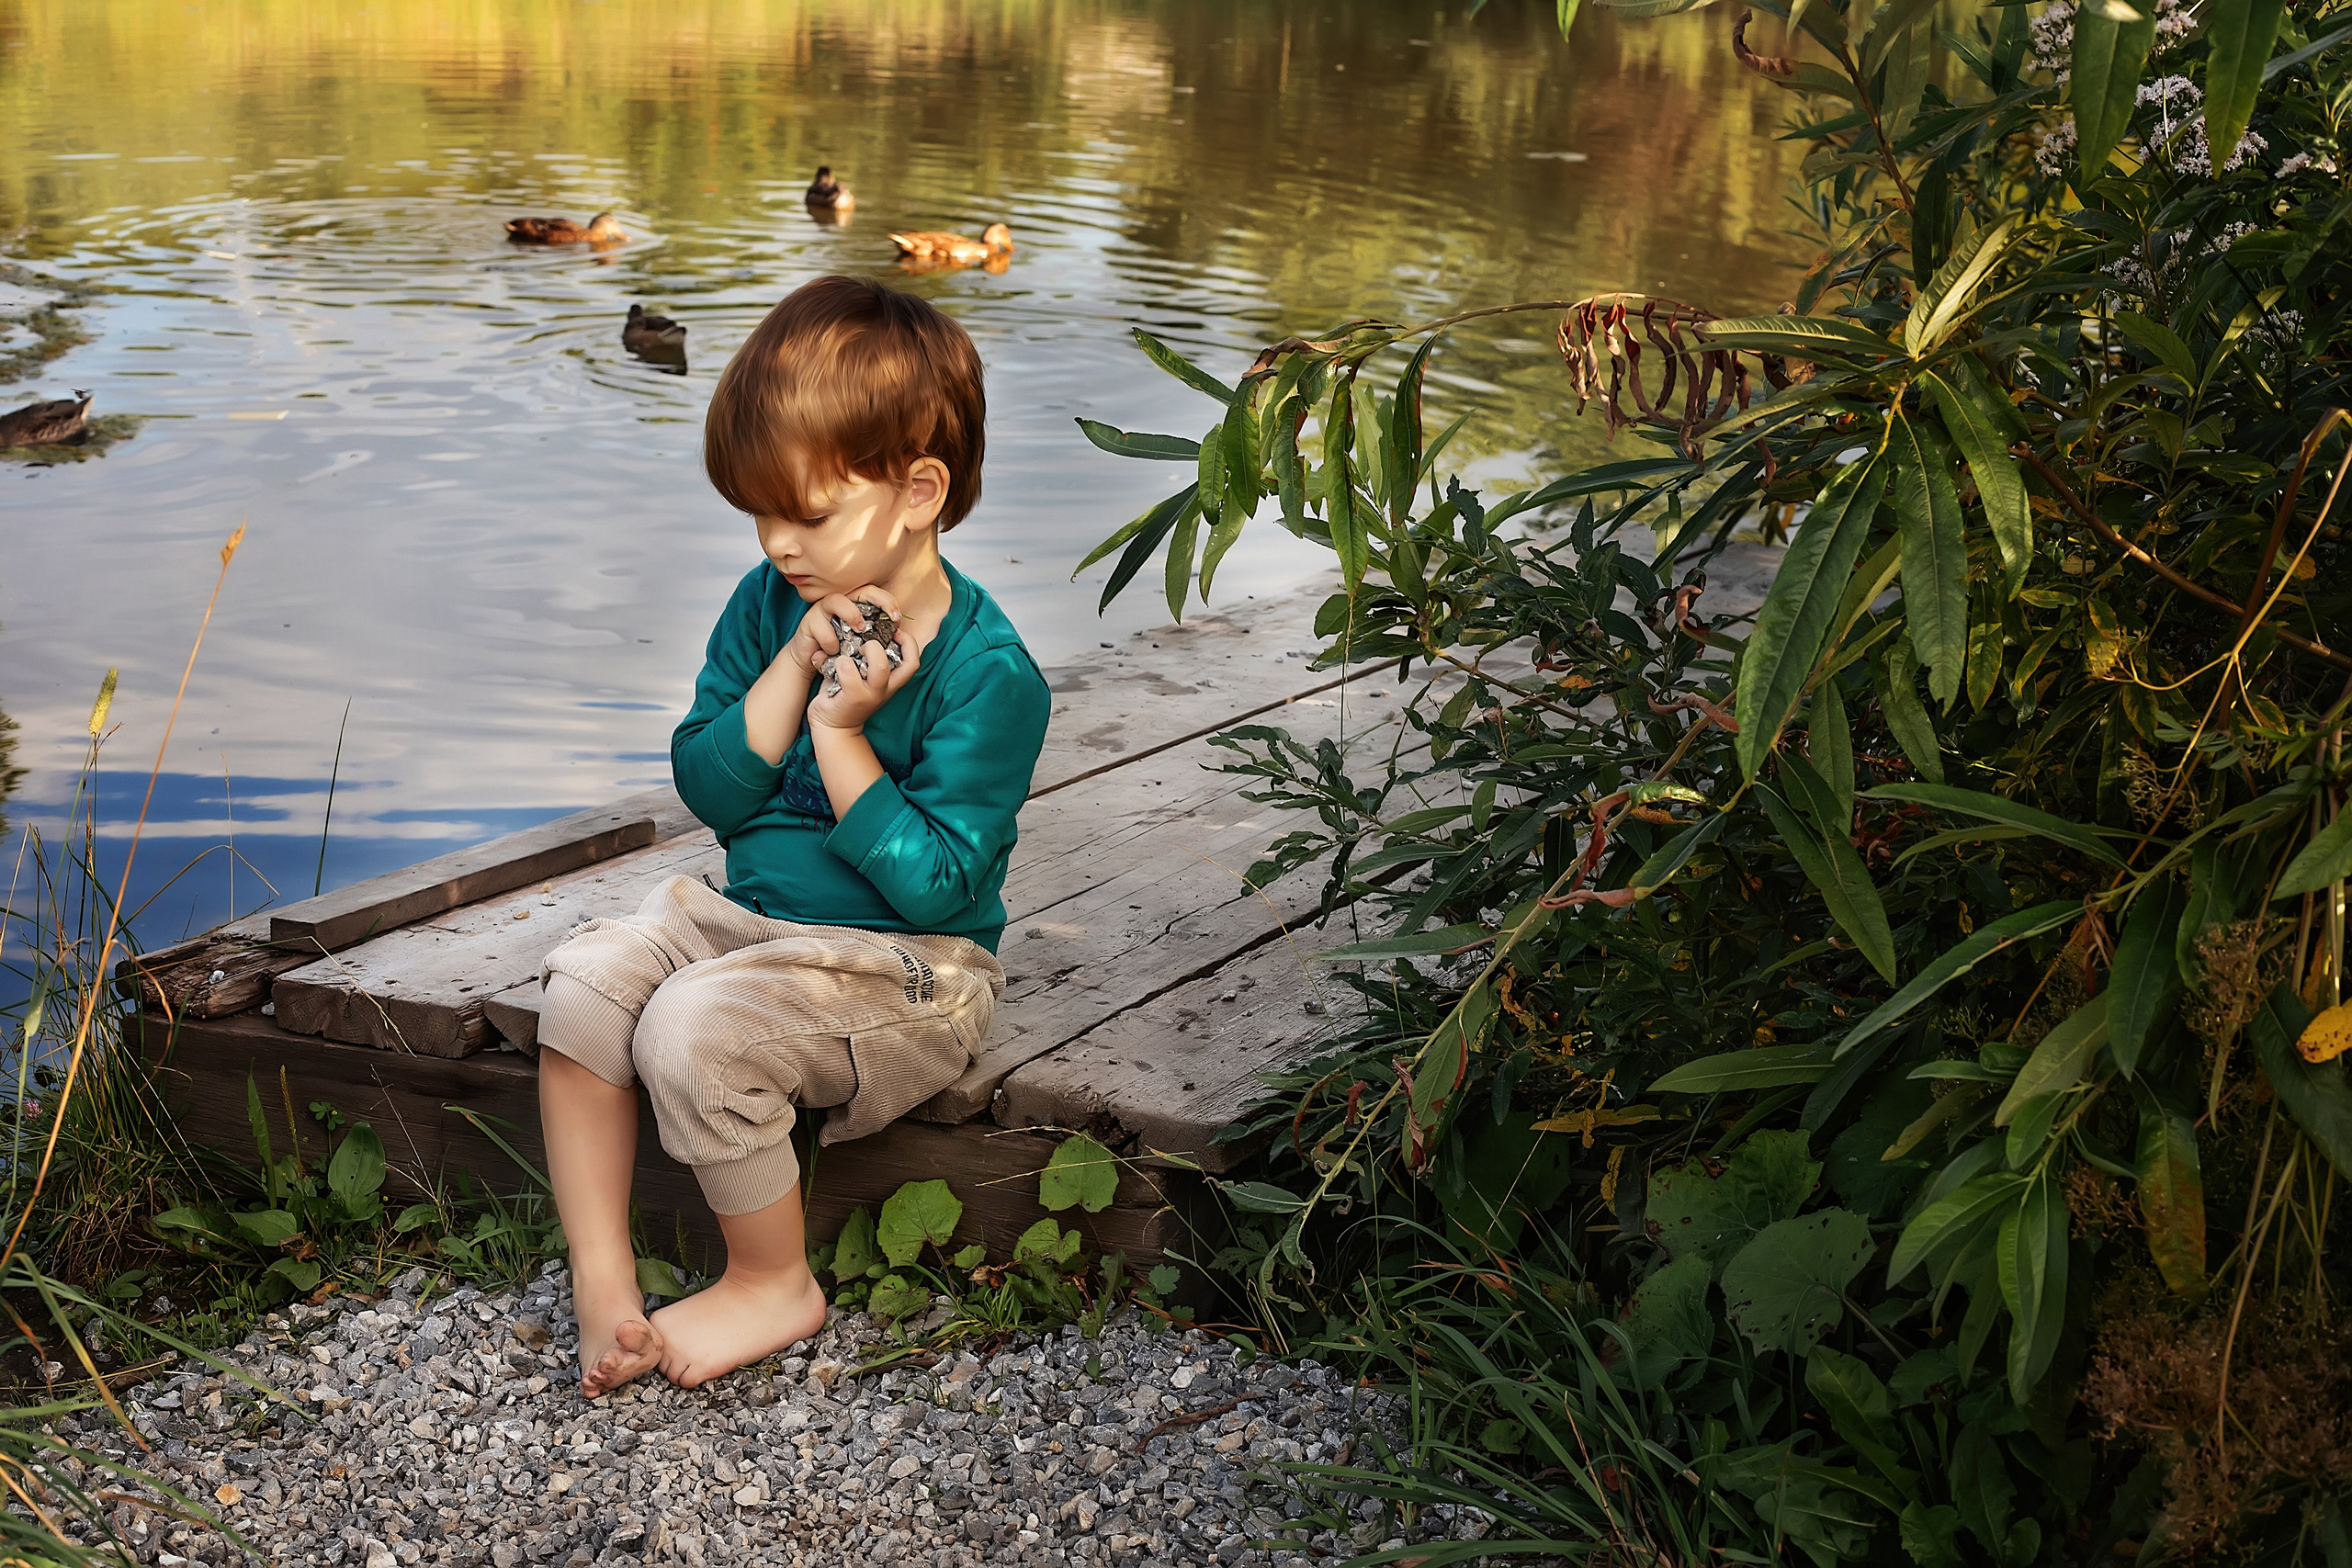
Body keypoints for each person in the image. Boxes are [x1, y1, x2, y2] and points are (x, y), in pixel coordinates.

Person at [533, 275, 1050, 1396]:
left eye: (807, 514)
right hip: (748, 920)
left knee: (693, 1029)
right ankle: (603, 1278)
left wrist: (844, 733)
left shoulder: (989, 676)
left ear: (918, 491)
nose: (776, 543)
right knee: (585, 985)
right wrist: (791, 667)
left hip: (909, 968)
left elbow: (937, 887)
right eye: (758, 514)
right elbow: (711, 792)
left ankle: (774, 1281)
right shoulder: (772, 604)